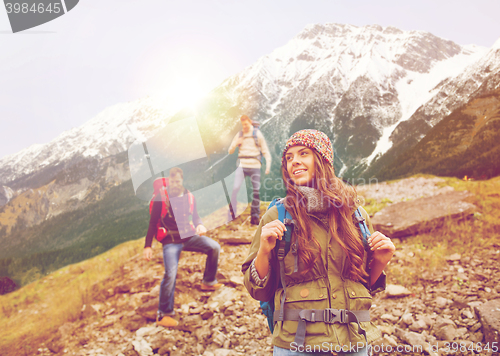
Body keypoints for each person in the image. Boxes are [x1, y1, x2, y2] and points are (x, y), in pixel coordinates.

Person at [242, 130, 395, 355]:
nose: (294, 161)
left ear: (323, 160)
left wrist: (380, 262)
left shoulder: (357, 215)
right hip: (296, 344)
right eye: (289, 157)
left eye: (303, 153)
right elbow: (257, 290)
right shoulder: (277, 215)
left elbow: (363, 286)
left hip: (354, 342)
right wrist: (264, 252)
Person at [144, 167, 222, 328]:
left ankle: (208, 281)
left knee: (214, 247)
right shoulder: (161, 198)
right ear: (169, 181)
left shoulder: (189, 196)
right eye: (172, 181)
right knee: (170, 273)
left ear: (182, 181)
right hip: (170, 240)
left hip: (188, 236)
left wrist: (200, 225)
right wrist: (147, 246)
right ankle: (163, 313)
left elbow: (196, 217)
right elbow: (152, 223)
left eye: (177, 181)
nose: (175, 184)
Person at [228, 115, 272, 225]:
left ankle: (255, 217)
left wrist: (268, 166)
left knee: (256, 191)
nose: (245, 126)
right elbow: (230, 151)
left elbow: (265, 151)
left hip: (255, 166)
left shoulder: (257, 134)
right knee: (236, 188)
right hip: (242, 165)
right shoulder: (239, 134)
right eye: (243, 125)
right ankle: (232, 214)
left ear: (250, 123)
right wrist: (236, 142)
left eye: (246, 124)